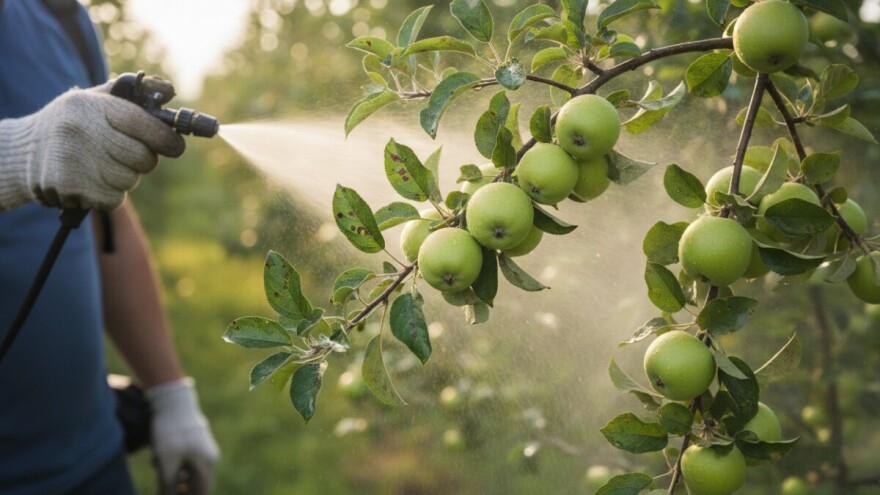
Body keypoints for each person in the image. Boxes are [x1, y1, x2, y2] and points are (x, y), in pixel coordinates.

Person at [0, 0, 219, 494]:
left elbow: (108, 223)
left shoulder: (61, 18)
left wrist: (170, 395)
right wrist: (19, 153)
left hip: (92, 461)